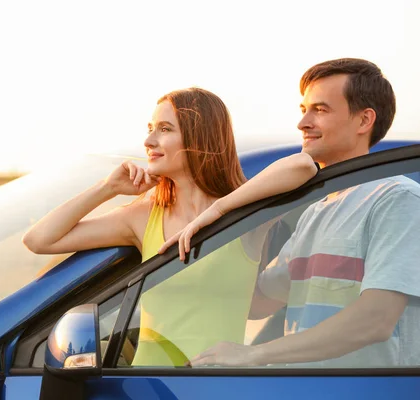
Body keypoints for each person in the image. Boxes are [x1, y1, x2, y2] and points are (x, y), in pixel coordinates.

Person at [23, 87, 318, 366]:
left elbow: (303, 167)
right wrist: (107, 187)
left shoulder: (244, 214)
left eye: (164, 129)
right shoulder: (144, 217)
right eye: (150, 129)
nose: (149, 141)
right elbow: (39, 239)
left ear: (200, 139)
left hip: (218, 385)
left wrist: (217, 210)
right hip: (148, 384)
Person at [162, 59, 420, 368]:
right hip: (301, 389)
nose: (303, 123)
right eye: (304, 110)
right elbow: (257, 302)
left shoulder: (396, 199)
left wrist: (253, 354)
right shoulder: (317, 211)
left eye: (320, 110)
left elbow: (375, 319)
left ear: (364, 121)